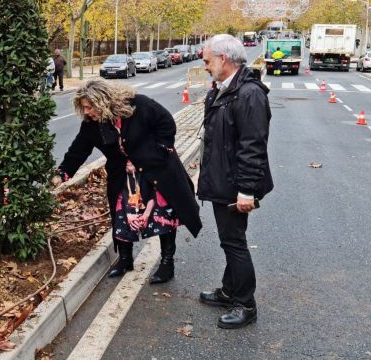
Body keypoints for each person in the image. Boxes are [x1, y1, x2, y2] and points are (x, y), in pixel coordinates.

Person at [52, 79, 202, 281]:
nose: (86, 112)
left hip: (154, 169)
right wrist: (62, 173)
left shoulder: (139, 105)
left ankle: (167, 263)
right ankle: (125, 259)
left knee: (162, 216)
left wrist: (161, 150)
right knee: (121, 216)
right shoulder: (92, 125)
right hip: (122, 175)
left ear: (103, 102)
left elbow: (166, 122)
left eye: (89, 106)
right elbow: (78, 150)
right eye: (83, 108)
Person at [198, 34, 274, 329]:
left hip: (235, 185)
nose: (204, 66)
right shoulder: (223, 90)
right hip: (223, 180)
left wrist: (246, 191)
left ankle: (246, 303)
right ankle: (230, 290)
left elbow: (252, 146)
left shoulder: (249, 94)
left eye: (207, 61)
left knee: (234, 242)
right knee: (228, 240)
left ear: (223, 59)